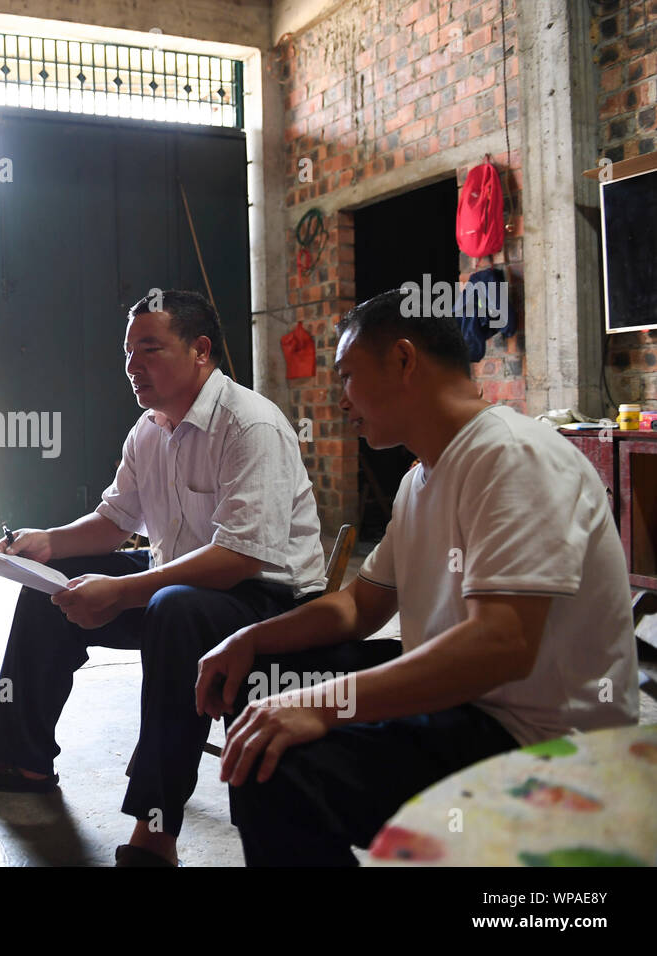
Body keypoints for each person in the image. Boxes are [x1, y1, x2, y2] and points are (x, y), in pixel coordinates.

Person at [197, 289, 640, 866]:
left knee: (282, 767)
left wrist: (325, 705)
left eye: (349, 376)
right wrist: (248, 640)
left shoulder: (513, 454)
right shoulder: (420, 480)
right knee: (258, 678)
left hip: (537, 741)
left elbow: (500, 645)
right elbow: (359, 607)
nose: (341, 401)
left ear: (404, 361)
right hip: (469, 706)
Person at [0, 289, 326, 866]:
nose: (132, 365)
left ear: (200, 350)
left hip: (266, 599)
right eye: (127, 352)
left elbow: (241, 557)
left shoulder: (250, 424)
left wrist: (120, 593)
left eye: (149, 348)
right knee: (56, 580)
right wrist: (50, 543)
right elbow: (115, 519)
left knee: (173, 607)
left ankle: (156, 829)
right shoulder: (150, 429)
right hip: (179, 586)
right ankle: (18, 756)